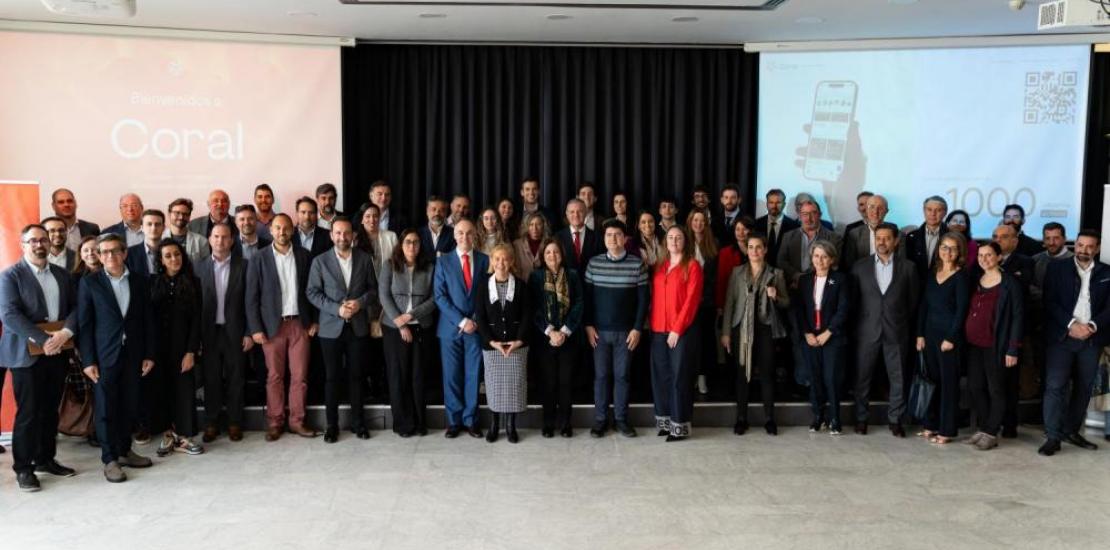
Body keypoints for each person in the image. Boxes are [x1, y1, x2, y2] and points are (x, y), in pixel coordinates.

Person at [0, 224, 79, 491]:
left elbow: (76, 307)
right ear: (23, 245)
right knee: (29, 413)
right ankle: (24, 468)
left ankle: (45, 459)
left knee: (50, 410)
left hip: (57, 351)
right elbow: (9, 315)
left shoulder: (62, 274)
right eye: (33, 240)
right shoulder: (10, 276)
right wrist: (44, 340)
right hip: (26, 355)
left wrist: (65, 334)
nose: (39, 244)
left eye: (43, 240)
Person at [77, 233, 157, 483]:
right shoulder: (90, 283)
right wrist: (88, 360)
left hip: (133, 354)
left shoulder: (140, 281)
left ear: (124, 253)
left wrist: (149, 354)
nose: (110, 255)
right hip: (103, 357)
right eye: (104, 252)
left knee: (130, 404)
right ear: (99, 257)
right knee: (105, 409)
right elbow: (85, 325)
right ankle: (109, 459)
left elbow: (148, 320)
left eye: (115, 250)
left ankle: (124, 451)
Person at [245, 214, 320, 442]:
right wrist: (255, 328)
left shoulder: (304, 256)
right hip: (271, 326)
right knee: (275, 376)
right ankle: (275, 422)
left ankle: (297, 421)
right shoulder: (259, 258)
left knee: (300, 376)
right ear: (270, 230)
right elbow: (251, 297)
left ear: (292, 230)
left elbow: (314, 290)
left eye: (286, 228)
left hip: (300, 324)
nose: (282, 232)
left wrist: (314, 320)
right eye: (277, 228)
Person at [306, 217, 379, 443]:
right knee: (332, 378)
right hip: (331, 328)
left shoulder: (364, 258)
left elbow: (373, 291)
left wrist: (360, 303)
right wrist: (337, 309)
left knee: (357, 377)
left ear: (353, 235)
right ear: (331, 235)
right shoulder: (320, 261)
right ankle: (331, 425)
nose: (342, 237)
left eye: (346, 233)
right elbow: (312, 292)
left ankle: (358, 423)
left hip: (358, 327)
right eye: (338, 233)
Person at [1038, 230, 1110, 456]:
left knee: (1084, 387)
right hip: (1062, 337)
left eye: (1089, 246)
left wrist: (1092, 326)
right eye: (1080, 245)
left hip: (1092, 338)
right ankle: (1052, 437)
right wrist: (1071, 325)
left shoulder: (1107, 272)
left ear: (1097, 249)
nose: (1083, 250)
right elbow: (1049, 302)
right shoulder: (1057, 268)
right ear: (1075, 245)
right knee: (1055, 386)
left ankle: (1071, 431)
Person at [851, 222, 920, 437]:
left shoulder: (908, 268)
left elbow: (913, 303)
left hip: (897, 331)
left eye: (887, 238)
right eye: (878, 238)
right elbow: (854, 302)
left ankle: (895, 420)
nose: (882, 242)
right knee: (862, 378)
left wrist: (899, 320)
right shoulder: (859, 267)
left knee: (898, 378)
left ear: (896, 241)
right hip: (866, 331)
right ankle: (861, 419)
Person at [720, 233, 790, 436]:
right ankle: (741, 418)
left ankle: (769, 418)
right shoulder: (737, 272)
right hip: (740, 329)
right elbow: (730, 303)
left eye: (758, 247)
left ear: (765, 250)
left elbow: (786, 302)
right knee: (742, 375)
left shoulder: (776, 274)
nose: (754, 251)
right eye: (750, 247)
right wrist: (726, 333)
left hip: (765, 329)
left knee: (767, 374)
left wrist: (776, 296)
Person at [584, 219, 649, 438]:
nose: (613, 239)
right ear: (604, 239)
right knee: (601, 376)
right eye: (609, 235)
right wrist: (588, 325)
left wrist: (637, 328)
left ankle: (621, 419)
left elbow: (643, 301)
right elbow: (587, 299)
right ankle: (601, 420)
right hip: (599, 333)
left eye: (618, 234)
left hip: (626, 333)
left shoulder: (637, 264)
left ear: (625, 238)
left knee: (622, 376)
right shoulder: (594, 264)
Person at [964, 241, 1023, 451]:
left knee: (996, 389)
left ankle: (991, 432)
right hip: (974, 344)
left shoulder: (1010, 284)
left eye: (989, 255)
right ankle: (983, 427)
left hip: (996, 345)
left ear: (998, 257)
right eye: (980, 255)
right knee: (975, 386)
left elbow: (1018, 317)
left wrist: (1013, 348)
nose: (984, 259)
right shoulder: (976, 279)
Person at [196, 224, 252, 443]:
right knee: (211, 379)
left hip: (235, 331)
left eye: (225, 237)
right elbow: (194, 305)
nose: (220, 241)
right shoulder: (198, 267)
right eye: (216, 236)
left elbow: (250, 302)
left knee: (236, 378)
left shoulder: (244, 266)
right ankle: (211, 423)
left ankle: (235, 423)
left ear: (232, 240)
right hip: (208, 333)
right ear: (210, 239)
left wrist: (249, 332)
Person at [434, 219, 488, 439]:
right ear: (454, 235)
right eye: (460, 233)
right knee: (452, 377)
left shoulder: (484, 260)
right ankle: (454, 421)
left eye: (469, 233)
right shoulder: (443, 261)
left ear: (475, 235)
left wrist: (474, 320)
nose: (465, 237)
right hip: (450, 329)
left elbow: (487, 294)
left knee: (473, 375)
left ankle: (471, 420)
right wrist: (461, 321)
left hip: (475, 328)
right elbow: (440, 296)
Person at [149, 240, 204, 457]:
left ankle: (185, 436)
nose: (174, 259)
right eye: (168, 256)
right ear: (161, 260)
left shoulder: (193, 282)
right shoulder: (152, 282)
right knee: (161, 393)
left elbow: (197, 320)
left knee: (184, 392)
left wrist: (191, 351)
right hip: (157, 350)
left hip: (183, 349)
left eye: (177, 254)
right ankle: (168, 435)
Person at [380, 229, 436, 437]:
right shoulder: (389, 265)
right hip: (394, 327)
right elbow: (384, 295)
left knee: (418, 376)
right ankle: (403, 424)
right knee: (399, 376)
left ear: (420, 245)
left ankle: (420, 423)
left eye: (416, 242)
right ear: (401, 245)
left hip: (421, 326)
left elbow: (434, 298)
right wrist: (401, 323)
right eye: (408, 242)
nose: (412, 246)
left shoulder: (429, 267)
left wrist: (411, 315)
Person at [914, 232, 969, 444]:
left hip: (948, 338)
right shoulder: (933, 273)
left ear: (959, 252)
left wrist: (952, 337)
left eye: (953, 248)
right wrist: (920, 334)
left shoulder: (961, 276)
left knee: (948, 385)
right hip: (929, 335)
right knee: (932, 382)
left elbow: (961, 311)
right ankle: (930, 424)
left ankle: (946, 430)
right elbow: (924, 305)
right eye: (944, 247)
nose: (948, 252)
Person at [650, 225, 703, 441]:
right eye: (670, 237)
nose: (673, 241)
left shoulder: (692, 266)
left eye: (678, 237)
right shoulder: (660, 266)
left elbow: (691, 301)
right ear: (665, 241)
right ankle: (665, 422)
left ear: (685, 241)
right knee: (660, 377)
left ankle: (679, 425)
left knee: (679, 378)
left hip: (680, 331)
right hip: (657, 329)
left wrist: (677, 329)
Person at [474, 244, 530, 443]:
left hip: (517, 345)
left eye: (505, 258)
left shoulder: (521, 285)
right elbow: (480, 317)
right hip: (493, 346)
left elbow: (527, 316)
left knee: (514, 386)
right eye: (497, 258)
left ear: (512, 261)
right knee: (494, 386)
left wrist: (519, 340)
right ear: (491, 261)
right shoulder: (483, 285)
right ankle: (495, 425)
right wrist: (491, 341)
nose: (501, 263)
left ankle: (511, 426)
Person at [529, 238, 584, 438]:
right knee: (548, 382)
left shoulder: (573, 275)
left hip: (568, 338)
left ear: (562, 254)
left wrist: (564, 331)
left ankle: (566, 423)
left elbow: (579, 303)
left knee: (566, 382)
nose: (552, 256)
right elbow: (533, 306)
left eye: (556, 252)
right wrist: (550, 331)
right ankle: (548, 423)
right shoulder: (536, 277)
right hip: (545, 339)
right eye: (548, 252)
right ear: (543, 256)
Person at [795, 240, 851, 435]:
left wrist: (829, 332)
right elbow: (799, 310)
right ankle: (818, 416)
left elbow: (843, 309)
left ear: (832, 259)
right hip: (810, 338)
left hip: (832, 338)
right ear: (812, 258)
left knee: (831, 379)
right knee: (815, 378)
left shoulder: (841, 280)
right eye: (816, 256)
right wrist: (807, 333)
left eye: (824, 256)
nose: (820, 260)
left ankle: (835, 418)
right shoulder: (804, 280)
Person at [991, 222, 1034, 438]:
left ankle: (1009, 425)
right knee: (990, 379)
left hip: (1013, 331)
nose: (998, 240)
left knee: (1010, 380)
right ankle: (989, 422)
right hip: (990, 330)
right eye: (995, 236)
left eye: (1004, 236)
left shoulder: (1026, 262)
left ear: (1015, 241)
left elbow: (1022, 289)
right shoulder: (986, 260)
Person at [687, 209, 718, 396]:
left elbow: (714, 277)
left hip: (706, 302)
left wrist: (704, 296)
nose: (698, 223)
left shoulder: (713, 244)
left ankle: (702, 376)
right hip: (687, 302)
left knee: (706, 340)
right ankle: (691, 374)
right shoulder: (684, 243)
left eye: (702, 220)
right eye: (695, 220)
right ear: (690, 222)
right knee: (691, 340)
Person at [777, 199, 842, 289]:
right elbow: (781, 261)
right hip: (792, 285)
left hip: (821, 286)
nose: (809, 218)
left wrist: (807, 279)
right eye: (805, 214)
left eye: (813, 213)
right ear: (799, 216)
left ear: (820, 215)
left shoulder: (834, 238)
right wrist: (796, 276)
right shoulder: (788, 236)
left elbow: (834, 264)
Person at [842, 194, 892, 271]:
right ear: (866, 210)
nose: (875, 211)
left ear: (886, 211)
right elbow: (850, 263)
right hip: (861, 275)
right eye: (872, 207)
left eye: (880, 208)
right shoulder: (854, 234)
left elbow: (901, 264)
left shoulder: (898, 234)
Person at [904, 196, 949, 278]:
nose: (933, 214)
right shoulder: (911, 237)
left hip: (943, 283)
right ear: (924, 211)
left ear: (945, 213)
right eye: (929, 209)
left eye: (938, 210)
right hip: (916, 283)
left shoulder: (952, 237)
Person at [715, 216, 754, 310]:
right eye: (737, 229)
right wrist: (720, 305)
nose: (740, 233)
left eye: (744, 229)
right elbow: (721, 280)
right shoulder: (725, 252)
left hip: (752, 299)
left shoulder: (756, 250)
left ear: (751, 230)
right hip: (732, 299)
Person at [754, 189, 799, 267]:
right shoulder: (756, 224)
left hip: (785, 271)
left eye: (778, 203)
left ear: (784, 204)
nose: (774, 206)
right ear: (767, 204)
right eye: (771, 202)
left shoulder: (794, 226)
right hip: (761, 269)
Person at [557, 199, 602, 272]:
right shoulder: (557, 237)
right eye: (572, 212)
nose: (576, 215)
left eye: (580, 211)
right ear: (567, 214)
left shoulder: (598, 237)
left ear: (586, 213)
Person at [356, 203, 399, 275]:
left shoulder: (391, 236)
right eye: (368, 216)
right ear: (362, 220)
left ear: (379, 218)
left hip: (387, 278)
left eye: (375, 216)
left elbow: (398, 261)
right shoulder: (355, 239)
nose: (372, 220)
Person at [164, 198, 211, 263]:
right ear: (169, 214)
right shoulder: (160, 239)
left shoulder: (201, 241)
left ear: (189, 216)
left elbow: (206, 266)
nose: (181, 217)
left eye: (185, 214)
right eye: (177, 213)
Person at [125, 209, 165, 279]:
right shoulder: (129, 254)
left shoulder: (172, 252)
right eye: (149, 224)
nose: (153, 228)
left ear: (163, 228)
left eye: (157, 224)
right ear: (142, 227)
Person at [1033, 222, 1073, 291]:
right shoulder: (1035, 260)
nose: (1051, 243)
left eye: (1056, 238)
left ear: (1064, 239)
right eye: (1047, 238)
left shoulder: (1076, 261)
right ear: (1043, 240)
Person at [513, 212, 549, 281]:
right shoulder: (517, 244)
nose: (534, 228)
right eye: (531, 224)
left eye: (538, 224)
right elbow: (515, 270)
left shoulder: (548, 244)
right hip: (522, 284)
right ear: (527, 227)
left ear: (543, 226)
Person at [418, 196, 455, 261]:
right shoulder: (418, 233)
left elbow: (454, 257)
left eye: (441, 210)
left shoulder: (454, 234)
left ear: (446, 213)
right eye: (433, 209)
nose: (437, 213)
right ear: (427, 211)